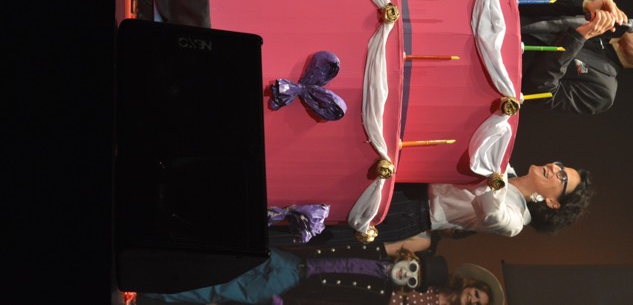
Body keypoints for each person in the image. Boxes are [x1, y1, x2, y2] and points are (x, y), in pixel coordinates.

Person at [271, 160, 593, 252]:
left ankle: (263, 228)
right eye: (561, 164)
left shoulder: (515, 222)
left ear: (553, 202)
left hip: (410, 213)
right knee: (326, 187)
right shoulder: (505, 166)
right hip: (413, 179)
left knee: (327, 222)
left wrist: (494, 171)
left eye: (562, 177)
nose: (555, 168)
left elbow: (491, 212)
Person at [128, 240, 505, 305]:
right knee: (223, 262)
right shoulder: (381, 255)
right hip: (294, 260)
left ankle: (145, 289)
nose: (472, 299)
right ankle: (150, 269)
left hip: (296, 286)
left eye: (477, 303)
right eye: (476, 293)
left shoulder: (382, 294)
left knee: (218, 292)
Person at [517, 0, 633, 115]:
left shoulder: (603, 91)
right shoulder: (596, 16)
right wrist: (582, 4)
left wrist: (578, 37)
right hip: (501, 25)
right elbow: (521, 0)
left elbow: (538, 92)